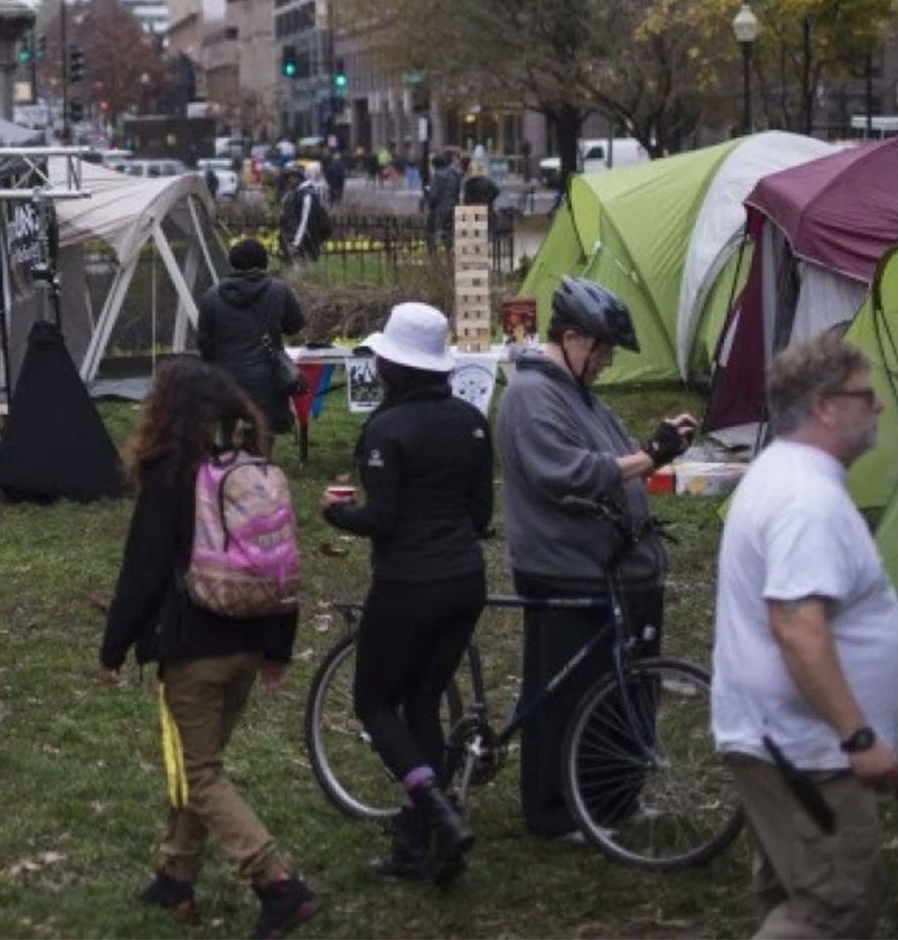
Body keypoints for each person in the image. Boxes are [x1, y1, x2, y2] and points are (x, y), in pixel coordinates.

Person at [98, 359, 318, 939]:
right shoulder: (254, 469)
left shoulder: (170, 472)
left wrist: (113, 646)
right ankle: (175, 871)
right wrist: (279, 648)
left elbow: (143, 570)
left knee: (199, 773)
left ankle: (277, 882)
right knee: (200, 764)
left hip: (194, 646)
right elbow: (281, 565)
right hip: (251, 640)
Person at [493, 275, 695, 837]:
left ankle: (612, 799)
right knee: (570, 696)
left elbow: (617, 458)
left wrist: (652, 451)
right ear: (575, 338)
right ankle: (557, 812)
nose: (606, 360)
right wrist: (650, 455)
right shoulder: (532, 397)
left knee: (621, 689)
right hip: (565, 568)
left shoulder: (580, 396)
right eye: (602, 349)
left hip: (611, 566)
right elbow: (570, 473)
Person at [712, 333, 897, 937]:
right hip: (812, 752)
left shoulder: (786, 475)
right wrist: (859, 733)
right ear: (824, 405)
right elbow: (797, 627)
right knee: (833, 908)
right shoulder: (804, 500)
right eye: (866, 395)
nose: (880, 407)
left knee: (792, 892)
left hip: (783, 743)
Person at [321, 303, 492, 884]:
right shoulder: (472, 420)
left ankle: (438, 811)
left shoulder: (386, 429)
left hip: (407, 584)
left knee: (375, 703)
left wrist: (338, 516)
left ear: (394, 367)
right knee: (423, 703)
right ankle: (417, 846)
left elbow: (384, 519)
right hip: (465, 580)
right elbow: (481, 512)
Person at [196, 238, 306, 440]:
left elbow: (204, 344)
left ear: (232, 263)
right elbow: (295, 326)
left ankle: (229, 460)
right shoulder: (279, 290)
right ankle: (261, 464)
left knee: (226, 434)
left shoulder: (211, 296)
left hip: (226, 380)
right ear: (264, 262)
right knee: (263, 434)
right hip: (267, 380)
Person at [278, 166, 330, 264]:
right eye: (287, 178)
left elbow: (305, 222)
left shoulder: (307, 196)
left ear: (299, 177)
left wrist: (296, 244)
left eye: (291, 177)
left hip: (303, 246)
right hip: (291, 242)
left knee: (300, 274)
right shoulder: (293, 194)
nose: (288, 181)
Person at [425, 148, 464, 252]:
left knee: (437, 232)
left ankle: (441, 253)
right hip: (453, 206)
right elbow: (457, 191)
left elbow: (434, 195)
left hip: (441, 209)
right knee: (451, 231)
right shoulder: (455, 174)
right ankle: (451, 250)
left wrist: (429, 199)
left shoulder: (438, 176)